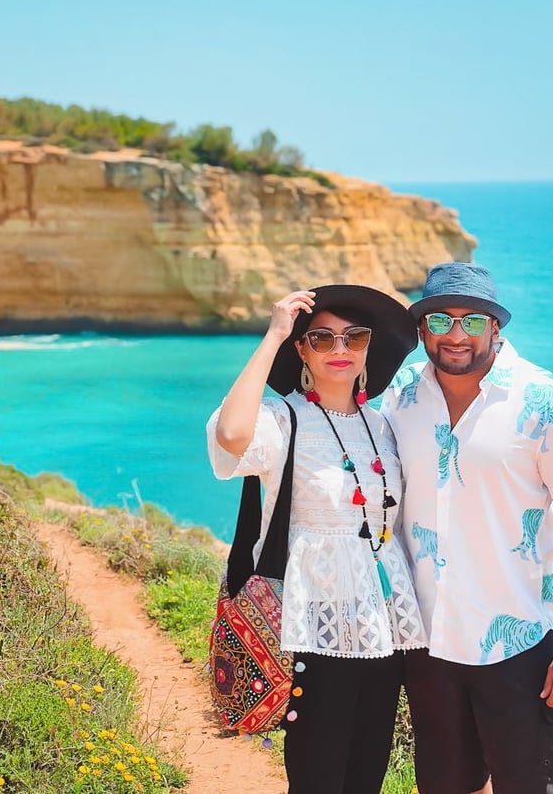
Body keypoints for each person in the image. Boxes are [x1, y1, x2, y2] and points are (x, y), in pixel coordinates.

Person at [381, 261, 553, 794]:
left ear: (495, 327)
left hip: (519, 650)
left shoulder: (547, 399)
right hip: (428, 645)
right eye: (439, 321)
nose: (455, 335)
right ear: (422, 329)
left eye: (472, 320)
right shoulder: (402, 397)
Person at [206, 285, 428, 794]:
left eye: (354, 336)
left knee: (367, 772)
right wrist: (273, 334)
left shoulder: (383, 425)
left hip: (382, 625)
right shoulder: (283, 419)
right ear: (302, 349)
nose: (339, 349)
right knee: (317, 774)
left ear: (369, 346)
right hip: (313, 625)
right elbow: (231, 436)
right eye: (321, 338)